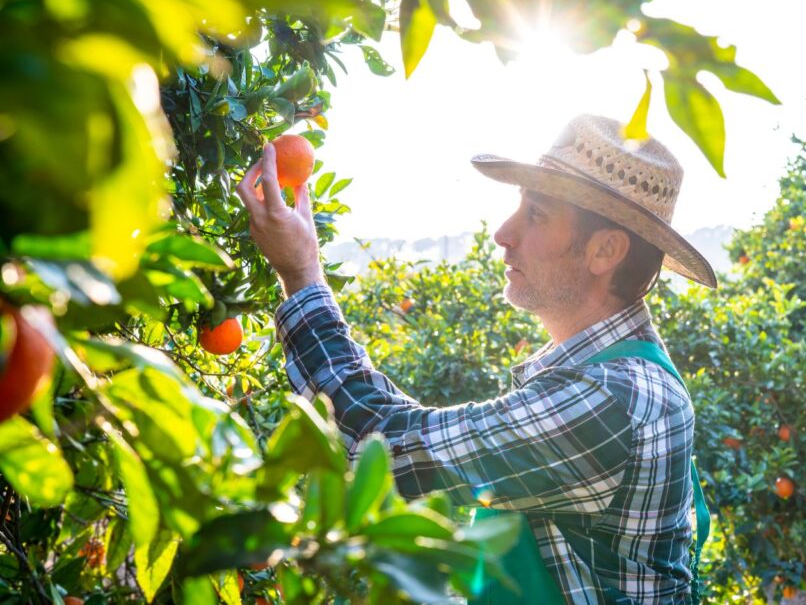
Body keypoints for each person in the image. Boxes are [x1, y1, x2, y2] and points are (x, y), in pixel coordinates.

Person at [237, 114, 717, 604]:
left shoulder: (614, 400)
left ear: (606, 250)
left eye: (537, 215)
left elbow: (378, 449)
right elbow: (419, 438)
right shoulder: (614, 377)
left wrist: (301, 273)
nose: (503, 234)